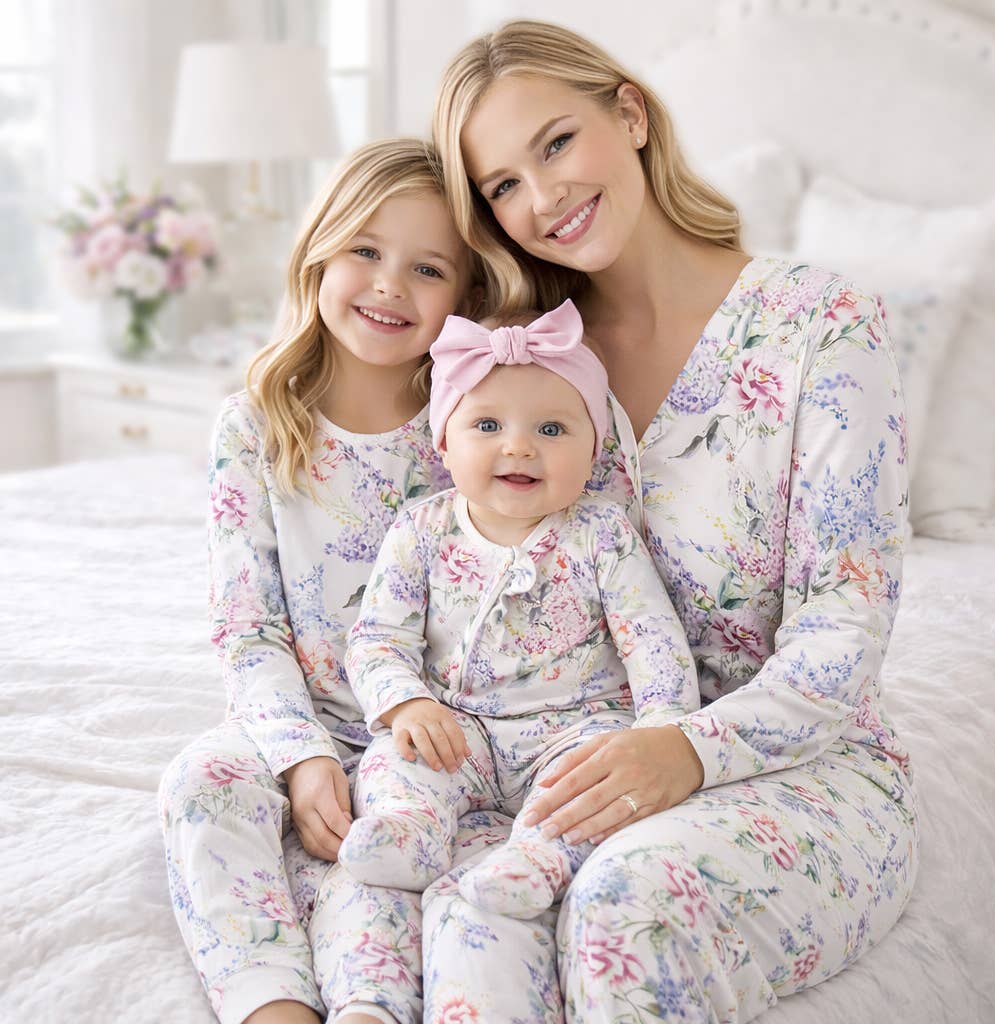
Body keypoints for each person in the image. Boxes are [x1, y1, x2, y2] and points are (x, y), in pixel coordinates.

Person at [418, 19, 919, 1022]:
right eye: (503, 184)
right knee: (446, 909)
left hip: (803, 765)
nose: (542, 198)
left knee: (625, 906)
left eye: (557, 143)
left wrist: (685, 751)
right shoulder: (515, 356)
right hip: (559, 764)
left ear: (631, 115)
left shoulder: (825, 327)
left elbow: (844, 629)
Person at [158, 138, 491, 1024]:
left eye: (428, 268)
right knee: (201, 786)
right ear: (319, 252)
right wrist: (303, 760)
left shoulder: (477, 424)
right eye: (366, 251)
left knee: (378, 868)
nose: (389, 286)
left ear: (464, 295)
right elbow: (248, 627)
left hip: (425, 735)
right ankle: (272, 1003)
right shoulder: (255, 426)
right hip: (295, 719)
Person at [340, 300, 700, 919]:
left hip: (575, 727)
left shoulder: (602, 534)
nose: (519, 447)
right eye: (486, 425)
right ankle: (411, 831)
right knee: (395, 760)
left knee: (594, 787)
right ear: (444, 443)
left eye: (552, 430)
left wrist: (663, 729)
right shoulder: (422, 530)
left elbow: (652, 640)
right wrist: (406, 702)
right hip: (458, 728)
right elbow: (377, 638)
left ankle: (539, 858)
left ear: (593, 452)